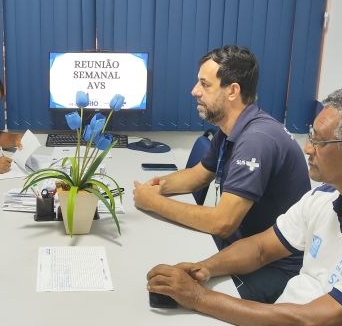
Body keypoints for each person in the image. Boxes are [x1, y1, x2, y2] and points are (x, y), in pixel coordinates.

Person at [147, 83, 342, 325]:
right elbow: (262, 249)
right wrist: (205, 268)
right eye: (311, 135)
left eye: (319, 141)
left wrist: (199, 299)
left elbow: (312, 321)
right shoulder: (326, 197)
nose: (308, 147)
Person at [133, 45, 311, 303]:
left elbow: (222, 222)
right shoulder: (231, 128)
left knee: (164, 298)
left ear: (232, 91)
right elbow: (198, 175)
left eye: (205, 85)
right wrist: (157, 187)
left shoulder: (256, 140)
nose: (194, 91)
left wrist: (153, 202)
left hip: (272, 267)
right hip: (237, 249)